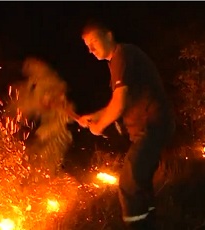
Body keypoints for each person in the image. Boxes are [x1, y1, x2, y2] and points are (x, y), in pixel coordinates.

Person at [77, 20, 175, 229]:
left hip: (152, 125)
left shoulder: (123, 54)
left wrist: (100, 125)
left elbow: (120, 102)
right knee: (141, 187)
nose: (90, 49)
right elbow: (121, 99)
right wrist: (94, 116)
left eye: (93, 42)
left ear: (109, 36)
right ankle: (149, 224)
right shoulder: (118, 62)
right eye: (87, 46)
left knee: (129, 185)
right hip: (149, 128)